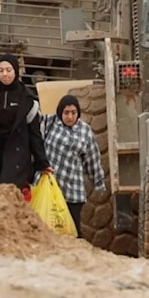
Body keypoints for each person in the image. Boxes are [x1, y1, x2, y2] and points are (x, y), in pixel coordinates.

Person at [0, 54, 51, 190]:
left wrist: (42, 162)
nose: (5, 74)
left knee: (8, 192)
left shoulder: (27, 99)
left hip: (16, 153)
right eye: (1, 70)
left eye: (9, 70)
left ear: (15, 71)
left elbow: (35, 134)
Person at [41, 94, 107, 238]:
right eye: (66, 113)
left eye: (73, 113)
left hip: (73, 190)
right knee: (48, 225)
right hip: (50, 186)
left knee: (73, 229)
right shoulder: (49, 123)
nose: (70, 117)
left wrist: (98, 182)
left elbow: (92, 158)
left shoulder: (84, 131)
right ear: (60, 112)